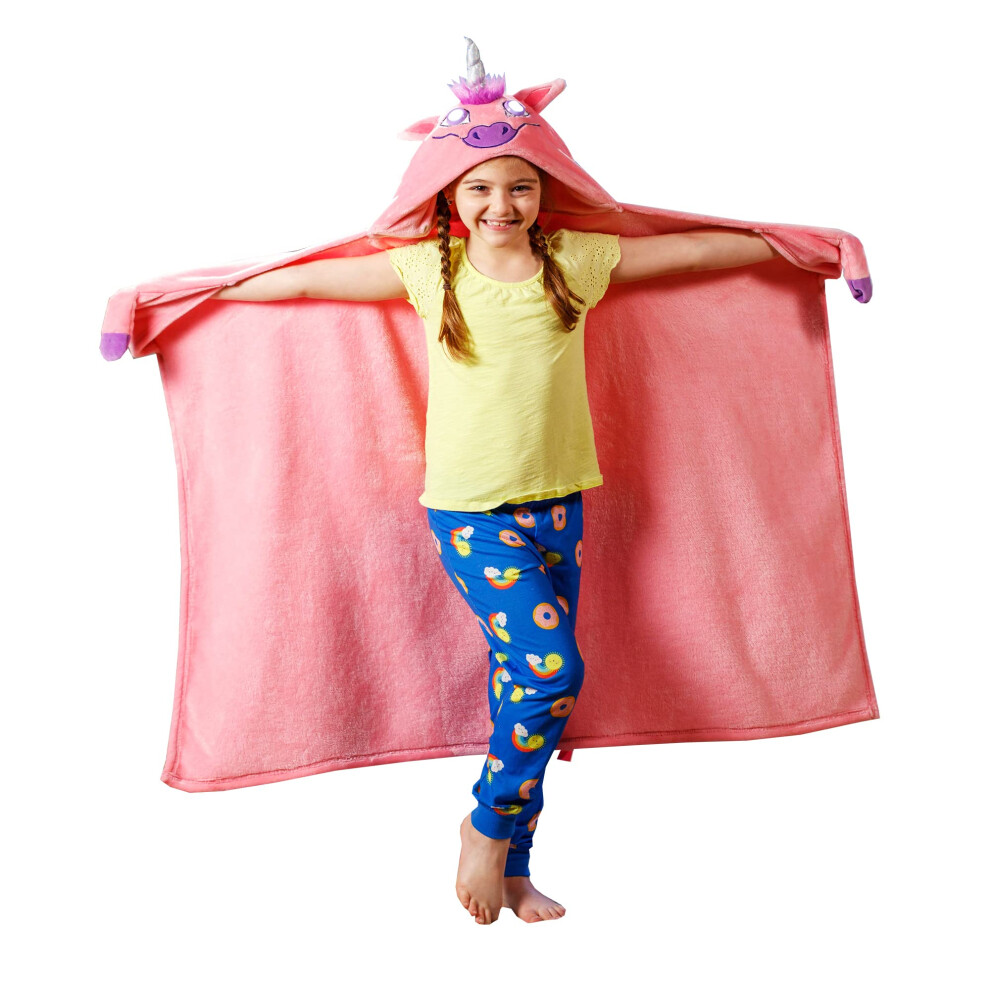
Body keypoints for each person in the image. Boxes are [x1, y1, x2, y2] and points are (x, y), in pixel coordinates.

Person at [210, 152, 779, 925]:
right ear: (451, 195)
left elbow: (694, 252)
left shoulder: (573, 261)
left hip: (558, 506)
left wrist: (805, 248)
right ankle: (484, 824)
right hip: (471, 514)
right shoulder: (431, 269)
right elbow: (308, 283)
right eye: (479, 188)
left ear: (544, 192)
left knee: (521, 688)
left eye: (520, 187)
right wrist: (196, 293)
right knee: (552, 673)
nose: (500, 203)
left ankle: (516, 867)